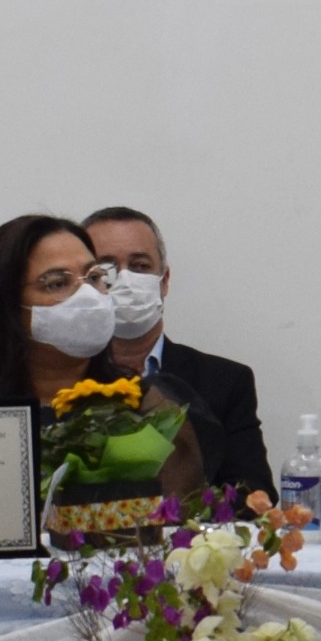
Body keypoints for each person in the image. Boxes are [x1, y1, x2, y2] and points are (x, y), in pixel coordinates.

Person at [0, 215, 211, 503]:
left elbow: (178, 519)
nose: (88, 295)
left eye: (94, 277)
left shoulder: (145, 407)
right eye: (57, 283)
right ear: (7, 305)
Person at [80, 205, 274, 498]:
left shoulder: (226, 381)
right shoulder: (60, 379)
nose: (126, 280)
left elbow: (254, 492)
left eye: (140, 266)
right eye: (106, 269)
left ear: (165, 281)